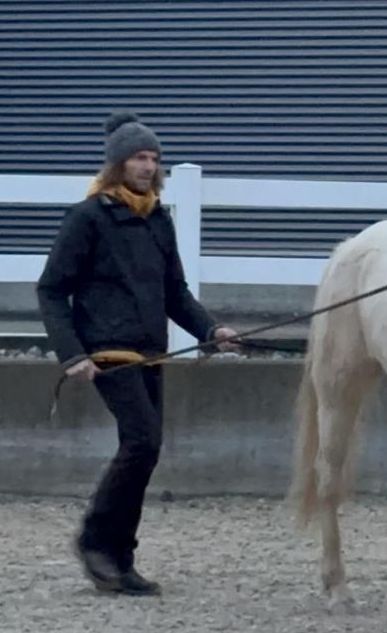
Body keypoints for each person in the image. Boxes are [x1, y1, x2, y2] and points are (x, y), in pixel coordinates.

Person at [37, 111, 238, 596]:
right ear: (118, 164)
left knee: (145, 449)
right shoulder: (88, 218)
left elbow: (176, 293)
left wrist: (212, 328)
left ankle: (118, 558)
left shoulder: (157, 220)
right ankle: (95, 542)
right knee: (143, 442)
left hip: (151, 351)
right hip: (107, 353)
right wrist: (72, 354)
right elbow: (51, 290)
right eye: (138, 158)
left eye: (153, 158)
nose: (147, 167)